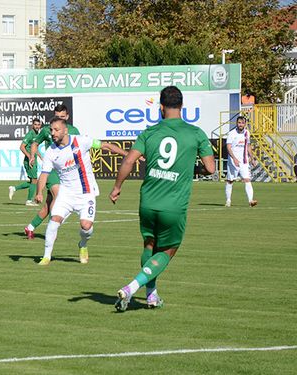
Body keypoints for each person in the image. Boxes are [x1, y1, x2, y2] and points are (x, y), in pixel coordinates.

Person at [109, 86, 215, 312]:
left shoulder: (149, 132)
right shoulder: (196, 133)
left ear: (161, 107)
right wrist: (190, 169)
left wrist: (117, 187)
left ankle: (151, 295)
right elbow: (210, 168)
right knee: (168, 250)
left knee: (149, 244)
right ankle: (131, 287)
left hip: (147, 202)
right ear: (182, 107)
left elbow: (128, 161)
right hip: (173, 206)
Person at [36, 116, 128, 266]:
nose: (53, 133)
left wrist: (129, 155)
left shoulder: (81, 141)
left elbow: (106, 146)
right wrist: (39, 192)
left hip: (86, 193)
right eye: (51, 130)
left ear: (65, 131)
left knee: (86, 226)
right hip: (65, 193)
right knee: (54, 221)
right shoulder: (50, 152)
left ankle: (83, 245)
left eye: (56, 130)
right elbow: (44, 174)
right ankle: (46, 256)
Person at [23, 104, 79, 241]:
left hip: (65, 171)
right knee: (58, 196)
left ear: (67, 117)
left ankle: (30, 227)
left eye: (62, 117)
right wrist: (32, 155)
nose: (59, 119)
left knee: (49, 203)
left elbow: (78, 147)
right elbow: (35, 143)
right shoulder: (47, 130)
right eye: (57, 116)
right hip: (51, 169)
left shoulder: (74, 130)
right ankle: (51, 230)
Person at [225, 116, 257, 207]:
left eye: (242, 123)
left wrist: (252, 158)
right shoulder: (231, 134)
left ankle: (251, 201)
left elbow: (248, 146)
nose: (241, 125)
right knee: (230, 181)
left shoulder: (247, 133)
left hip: (244, 161)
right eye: (239, 123)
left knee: (247, 179)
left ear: (245, 124)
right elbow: (228, 147)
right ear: (236, 123)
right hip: (233, 161)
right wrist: (234, 158)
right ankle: (228, 200)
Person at [8, 118, 42, 206]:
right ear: (32, 125)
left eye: (38, 124)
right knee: (34, 180)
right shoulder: (30, 134)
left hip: (33, 160)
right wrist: (30, 157)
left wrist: (41, 156)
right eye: (35, 124)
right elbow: (22, 147)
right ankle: (29, 201)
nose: (37, 126)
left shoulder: (37, 134)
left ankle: (14, 188)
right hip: (29, 161)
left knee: (33, 181)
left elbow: (34, 147)